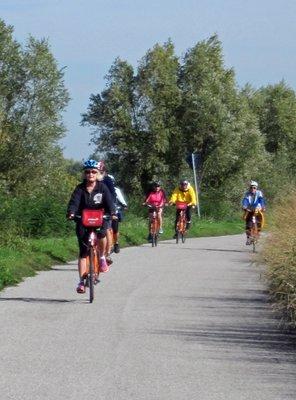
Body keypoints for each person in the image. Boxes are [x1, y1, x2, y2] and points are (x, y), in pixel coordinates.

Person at [67, 159, 116, 294]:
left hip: (100, 218)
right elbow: (74, 203)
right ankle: (81, 281)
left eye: (93, 172)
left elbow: (109, 202)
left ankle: (101, 257)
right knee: (83, 252)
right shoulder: (79, 188)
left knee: (101, 234)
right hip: (83, 220)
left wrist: (112, 213)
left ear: (98, 173)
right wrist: (71, 213)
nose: (90, 174)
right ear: (84, 174)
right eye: (87, 172)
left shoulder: (102, 187)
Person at [97, 160, 117, 264]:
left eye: (101, 171)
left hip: (105, 209)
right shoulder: (89, 180)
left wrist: (111, 209)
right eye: (97, 171)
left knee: (107, 229)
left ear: (104, 172)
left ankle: (107, 253)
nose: (98, 173)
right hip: (93, 209)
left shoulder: (107, 180)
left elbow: (113, 195)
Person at [107, 175, 128, 253]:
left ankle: (116, 243)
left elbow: (121, 198)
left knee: (115, 229)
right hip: (104, 212)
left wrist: (124, 204)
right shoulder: (100, 189)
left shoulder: (116, 190)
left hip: (114, 211)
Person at [242, 180, 266, 245]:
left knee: (259, 221)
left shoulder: (259, 193)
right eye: (251, 187)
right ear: (250, 188)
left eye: (254, 187)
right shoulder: (247, 194)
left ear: (256, 188)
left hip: (257, 209)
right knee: (248, 224)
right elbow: (245, 201)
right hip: (249, 209)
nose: (253, 189)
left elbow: (261, 200)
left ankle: (257, 233)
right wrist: (244, 206)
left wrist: (263, 207)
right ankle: (248, 238)